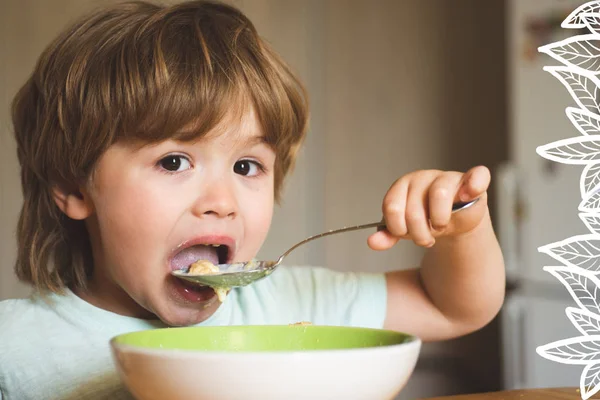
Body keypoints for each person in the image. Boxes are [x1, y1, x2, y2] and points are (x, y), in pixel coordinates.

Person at [0, 1, 505, 399]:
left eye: (247, 167)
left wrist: (461, 231)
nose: (222, 201)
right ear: (72, 187)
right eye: (174, 162)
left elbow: (452, 308)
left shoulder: (292, 306)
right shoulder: (14, 349)